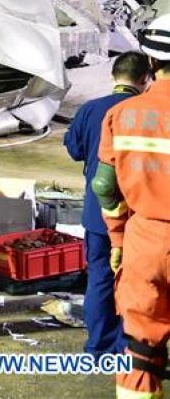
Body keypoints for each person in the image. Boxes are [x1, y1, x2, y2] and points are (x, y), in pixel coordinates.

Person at [94, 16, 170, 399]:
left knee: (139, 351)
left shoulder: (121, 115)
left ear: (151, 64)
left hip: (144, 241)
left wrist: (119, 240)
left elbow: (104, 187)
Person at [64, 52, 149, 358]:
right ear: (145, 79)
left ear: (113, 76)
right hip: (141, 214)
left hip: (98, 212)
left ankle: (98, 347)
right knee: (139, 283)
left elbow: (73, 149)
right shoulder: (145, 112)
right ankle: (132, 348)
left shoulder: (90, 110)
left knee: (99, 277)